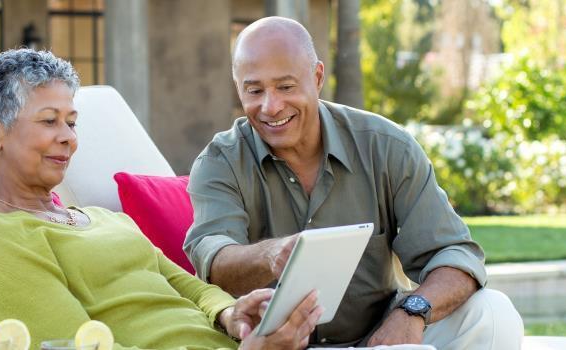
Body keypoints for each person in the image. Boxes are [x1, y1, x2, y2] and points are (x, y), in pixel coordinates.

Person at [184, 17, 524, 349]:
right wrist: (269, 254)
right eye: (254, 90)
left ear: (317, 77)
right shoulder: (220, 161)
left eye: (286, 87)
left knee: (493, 312)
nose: (271, 107)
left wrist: (412, 313)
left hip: (379, 338)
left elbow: (454, 253)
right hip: (275, 345)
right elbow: (212, 257)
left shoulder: (386, 146)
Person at [0, 49, 321, 350]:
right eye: (49, 121)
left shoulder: (104, 219)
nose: (68, 138)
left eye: (72, 122)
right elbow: (79, 345)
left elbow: (188, 286)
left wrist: (233, 313)